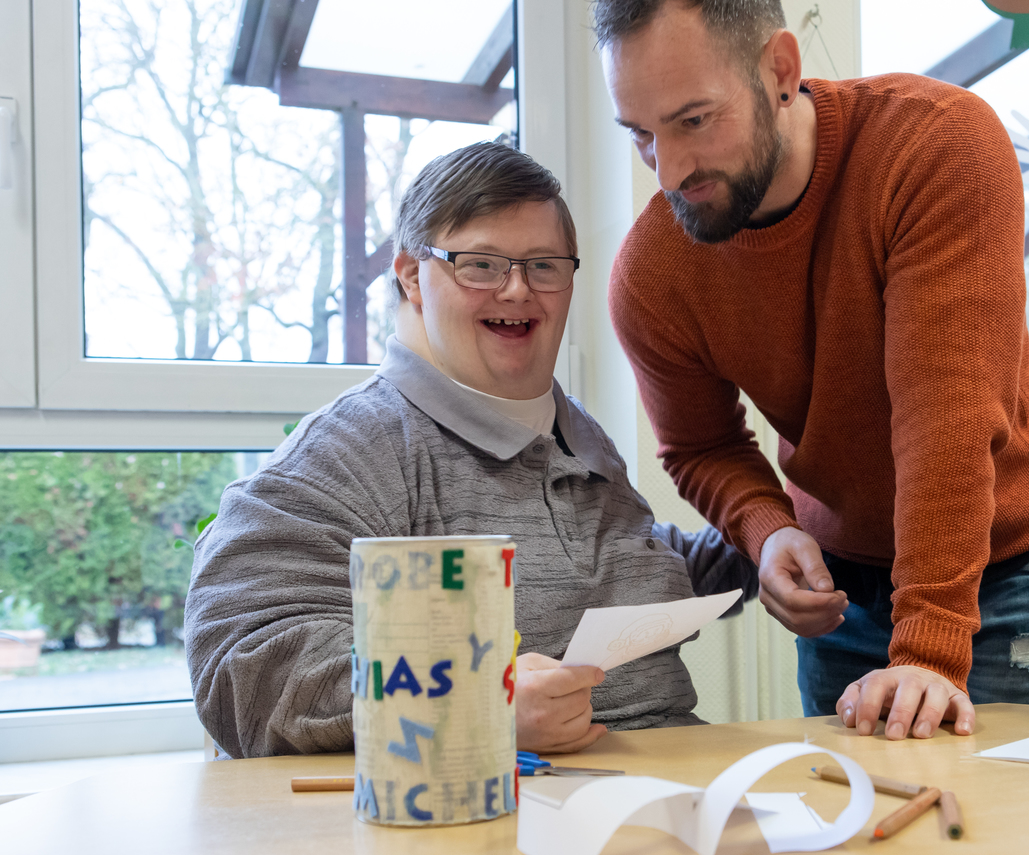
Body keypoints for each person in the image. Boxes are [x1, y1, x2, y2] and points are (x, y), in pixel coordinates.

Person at [595, 0, 1029, 740]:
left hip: (1003, 570)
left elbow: (945, 423)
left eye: (693, 120)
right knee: (851, 812)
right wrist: (767, 530)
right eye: (639, 133)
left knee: (1001, 810)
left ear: (780, 71)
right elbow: (700, 446)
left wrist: (927, 648)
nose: (667, 170)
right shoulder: (650, 275)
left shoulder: (937, 143)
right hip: (841, 588)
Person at [184, 143, 756, 759]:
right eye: (480, 265)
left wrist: (771, 541)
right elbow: (243, 660)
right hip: (503, 808)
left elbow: (623, 566)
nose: (517, 290)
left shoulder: (578, 434)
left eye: (544, 266)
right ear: (411, 276)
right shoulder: (353, 448)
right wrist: (477, 704)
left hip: (675, 789)